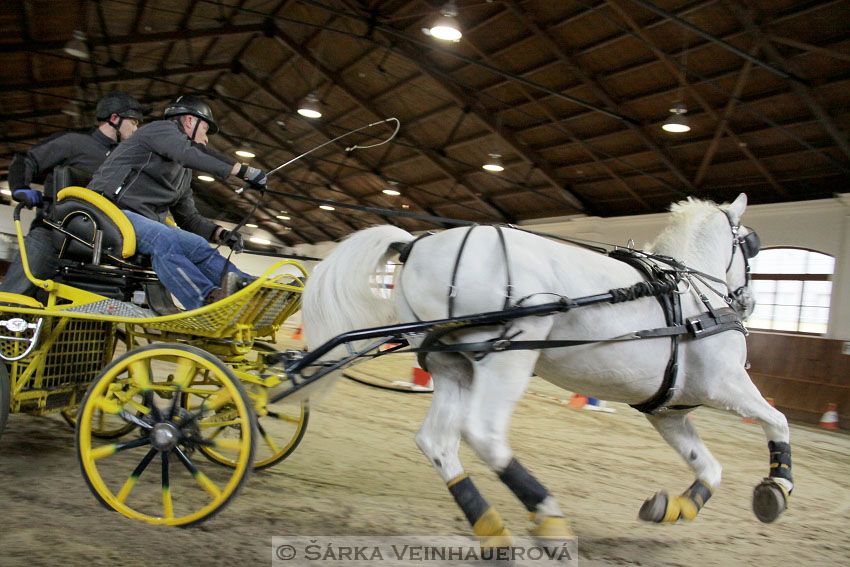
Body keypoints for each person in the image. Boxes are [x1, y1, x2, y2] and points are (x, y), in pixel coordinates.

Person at [87, 94, 267, 311]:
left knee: (198, 245)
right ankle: (206, 299)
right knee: (163, 237)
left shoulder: (182, 173)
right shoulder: (160, 130)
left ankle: (249, 289)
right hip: (108, 212)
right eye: (205, 130)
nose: (206, 138)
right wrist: (241, 170)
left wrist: (218, 233)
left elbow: (187, 217)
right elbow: (187, 152)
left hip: (141, 224)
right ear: (190, 121)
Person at [1, 91, 144, 298]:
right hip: (51, 234)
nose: (136, 129)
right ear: (114, 118)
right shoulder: (73, 143)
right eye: (133, 122)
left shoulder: (123, 160)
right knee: (14, 294)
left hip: (87, 248)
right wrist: (20, 187)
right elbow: (26, 159)